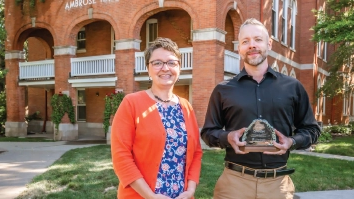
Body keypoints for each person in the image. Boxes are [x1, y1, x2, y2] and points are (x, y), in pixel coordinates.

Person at [201, 18, 321, 199]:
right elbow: (208, 132)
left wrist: (291, 141)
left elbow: (312, 129)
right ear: (239, 47)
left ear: (269, 44)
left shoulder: (292, 87)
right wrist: (228, 137)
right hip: (234, 183)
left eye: (258, 39)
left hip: (277, 185)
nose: (252, 45)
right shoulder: (223, 90)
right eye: (245, 41)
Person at [111, 37, 203, 199]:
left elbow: (196, 152)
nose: (165, 68)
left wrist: (190, 190)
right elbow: (121, 156)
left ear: (179, 68)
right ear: (148, 69)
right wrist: (150, 196)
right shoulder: (131, 103)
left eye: (171, 62)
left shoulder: (186, 107)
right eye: (157, 63)